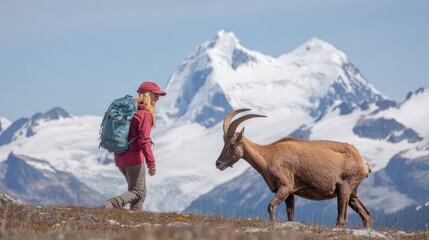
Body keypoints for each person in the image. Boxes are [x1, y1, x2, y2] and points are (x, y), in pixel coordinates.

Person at [101, 81, 166, 211]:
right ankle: (111, 204)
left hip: (120, 157)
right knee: (138, 191)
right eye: (156, 95)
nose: (158, 99)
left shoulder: (132, 111)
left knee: (139, 192)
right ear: (148, 94)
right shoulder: (145, 114)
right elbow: (144, 141)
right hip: (134, 158)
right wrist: (151, 163)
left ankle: (135, 220)